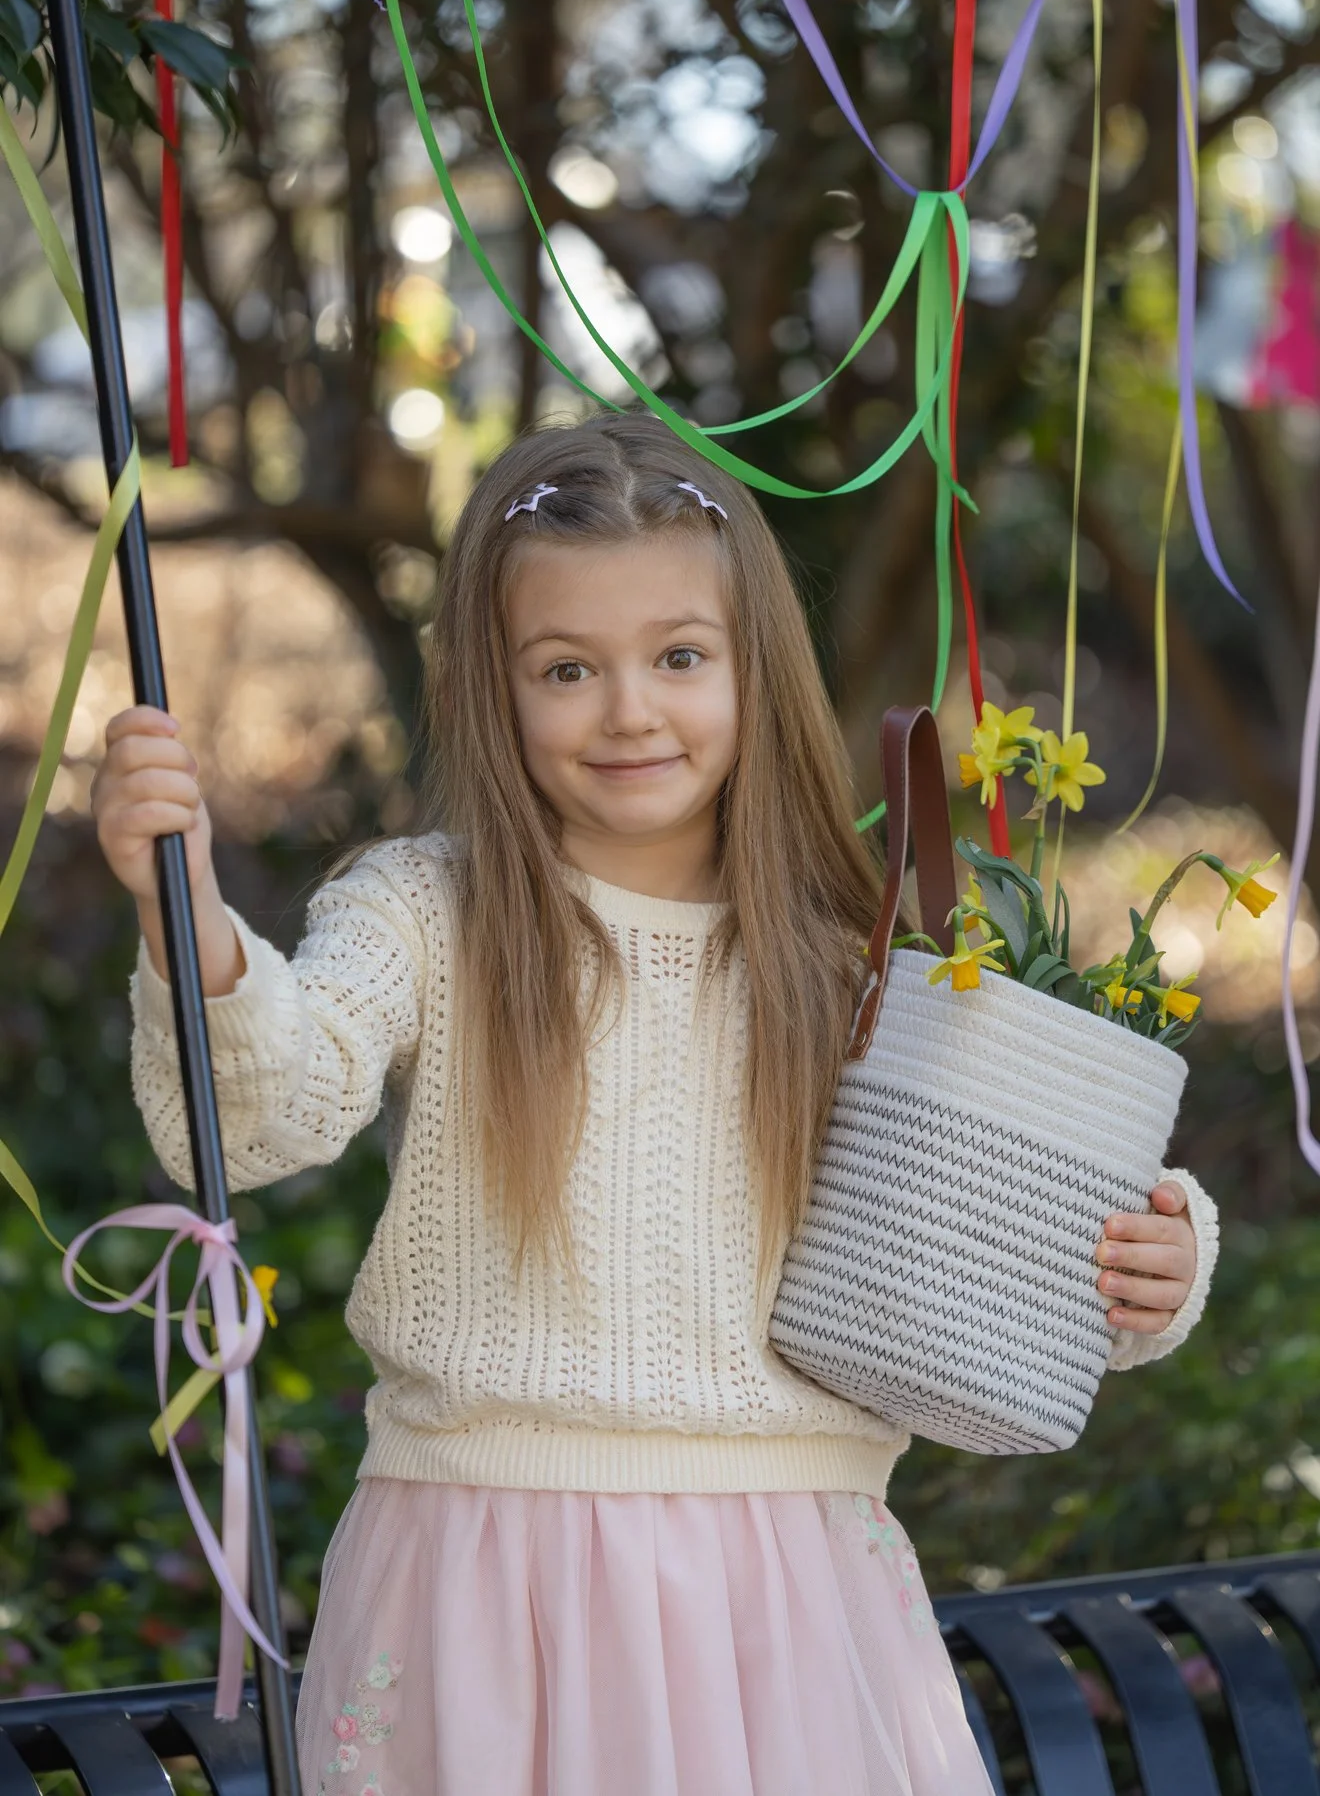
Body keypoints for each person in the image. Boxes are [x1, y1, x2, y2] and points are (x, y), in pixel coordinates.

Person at [93, 414, 1218, 1796]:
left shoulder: (865, 949)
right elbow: (270, 1109)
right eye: (567, 669)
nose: (630, 710)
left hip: (791, 1589)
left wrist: (1159, 1260)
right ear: (492, 692)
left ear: (757, 667)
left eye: (680, 658)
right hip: (488, 1577)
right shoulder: (428, 910)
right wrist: (184, 913)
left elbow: (1014, 1206)